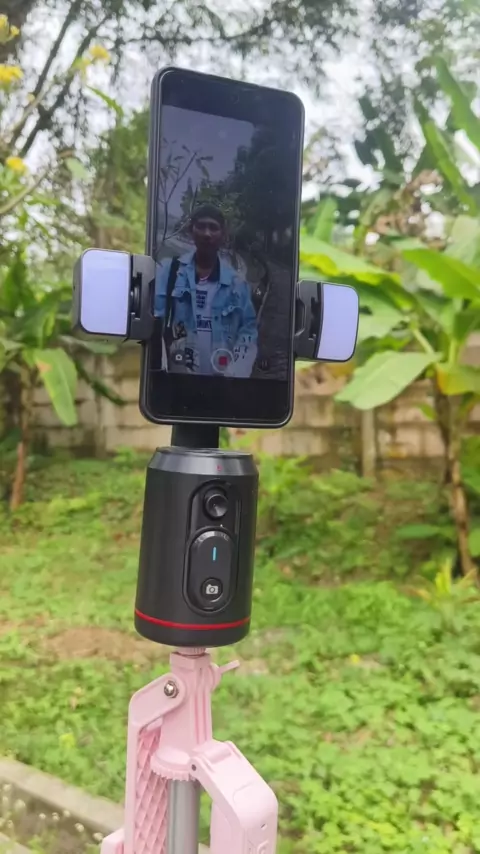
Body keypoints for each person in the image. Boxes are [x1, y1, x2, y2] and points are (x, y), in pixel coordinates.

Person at [154, 204, 258, 377]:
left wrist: (237, 373)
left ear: (223, 234)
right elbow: (156, 322)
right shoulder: (168, 272)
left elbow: (248, 331)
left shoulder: (237, 284)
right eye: (201, 226)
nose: (207, 234)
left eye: (213, 228)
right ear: (191, 230)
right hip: (178, 378)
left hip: (223, 381)